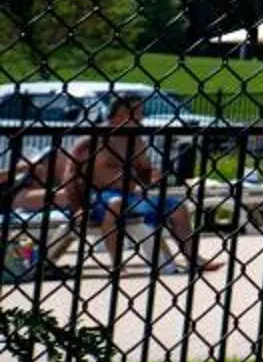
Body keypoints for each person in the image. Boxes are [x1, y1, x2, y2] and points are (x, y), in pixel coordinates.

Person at [61, 94, 218, 272]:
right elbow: (71, 175)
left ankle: (194, 258)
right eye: (134, 112)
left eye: (140, 112)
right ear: (117, 114)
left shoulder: (136, 141)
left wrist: (151, 176)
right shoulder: (92, 140)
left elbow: (144, 171)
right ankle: (117, 263)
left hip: (132, 196)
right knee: (116, 203)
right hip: (99, 196)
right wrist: (78, 208)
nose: (140, 117)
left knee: (178, 207)